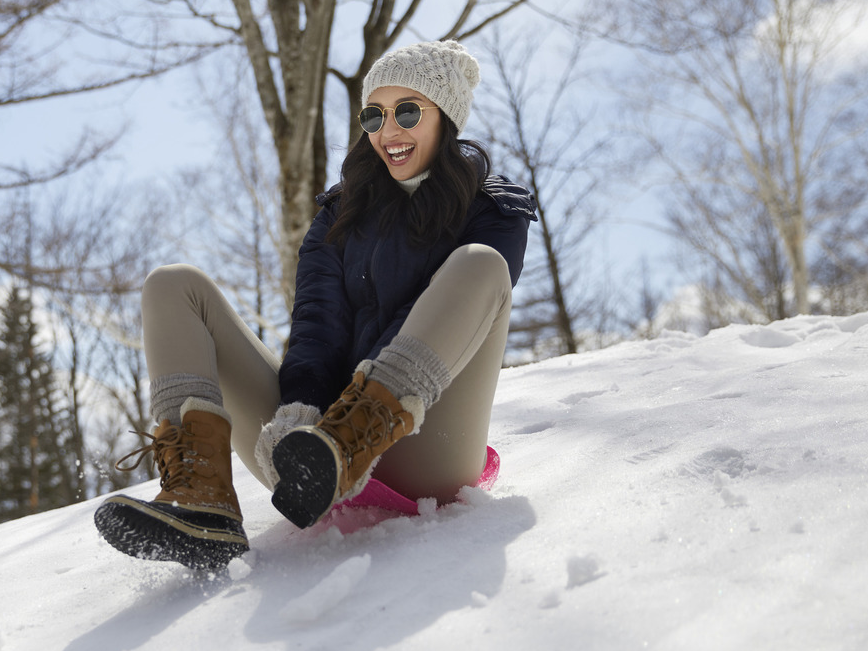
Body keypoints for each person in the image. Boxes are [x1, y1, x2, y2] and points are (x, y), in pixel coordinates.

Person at [94, 40, 537, 569]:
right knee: (172, 284)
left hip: (427, 446)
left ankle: (351, 440)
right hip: (313, 464)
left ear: (446, 117)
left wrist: (345, 429)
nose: (388, 132)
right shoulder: (338, 213)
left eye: (408, 112)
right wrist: (300, 411)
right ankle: (201, 499)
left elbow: (428, 313)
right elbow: (316, 324)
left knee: (480, 263)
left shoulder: (495, 208)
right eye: (374, 115)